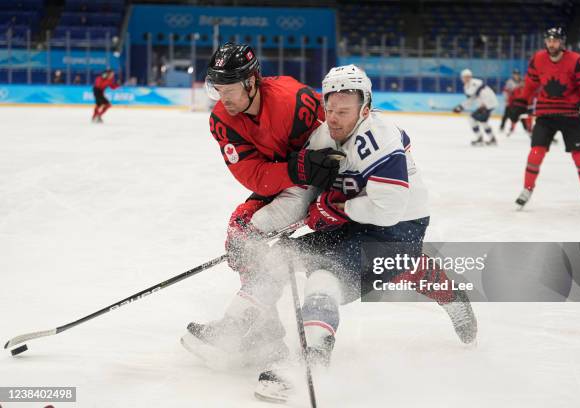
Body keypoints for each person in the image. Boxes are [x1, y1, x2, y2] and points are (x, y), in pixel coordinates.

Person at [254, 65, 478, 403]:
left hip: (400, 225)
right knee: (283, 253)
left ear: (365, 109)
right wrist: (261, 226)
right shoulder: (323, 136)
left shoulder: (380, 139)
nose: (333, 118)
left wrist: (338, 208)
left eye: (344, 111)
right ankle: (249, 328)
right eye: (329, 109)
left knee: (326, 273)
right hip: (358, 219)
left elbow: (388, 209)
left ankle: (311, 363)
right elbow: (304, 193)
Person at [180, 43, 344, 369]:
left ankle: (252, 325)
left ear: (252, 82)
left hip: (328, 185)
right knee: (239, 231)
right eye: (217, 89)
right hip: (287, 182)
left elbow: (338, 136)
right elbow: (252, 174)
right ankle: (263, 330)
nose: (222, 98)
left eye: (228, 89)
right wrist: (296, 169)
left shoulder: (293, 99)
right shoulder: (222, 120)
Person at [509, 27, 580, 212]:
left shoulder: (576, 61)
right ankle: (527, 189)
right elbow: (531, 85)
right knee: (535, 153)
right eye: (549, 40)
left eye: (555, 40)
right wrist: (520, 102)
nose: (552, 43)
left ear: (562, 42)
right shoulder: (538, 59)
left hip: (571, 115)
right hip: (546, 114)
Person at [453, 69, 499, 146]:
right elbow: (472, 99)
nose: (466, 78)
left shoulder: (474, 83)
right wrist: (461, 107)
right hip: (487, 104)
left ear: (470, 77)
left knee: (472, 119)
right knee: (483, 122)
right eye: (464, 77)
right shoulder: (469, 86)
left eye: (467, 77)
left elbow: (484, 93)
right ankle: (491, 139)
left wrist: (484, 104)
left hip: (487, 104)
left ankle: (481, 138)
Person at [500, 69, 522, 134]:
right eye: (515, 74)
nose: (516, 75)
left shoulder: (522, 81)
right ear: (513, 75)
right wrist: (506, 100)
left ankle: (513, 127)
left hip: (518, 101)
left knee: (518, 115)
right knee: (506, 115)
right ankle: (502, 127)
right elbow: (505, 91)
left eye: (517, 74)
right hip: (510, 101)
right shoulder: (509, 82)